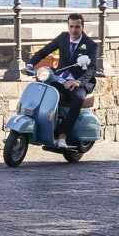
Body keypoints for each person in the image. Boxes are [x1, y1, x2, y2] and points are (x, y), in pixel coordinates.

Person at [24, 12, 98, 150]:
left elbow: (93, 68)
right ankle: (40, 124)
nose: (73, 30)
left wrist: (78, 82)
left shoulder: (90, 44)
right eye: (71, 26)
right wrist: (29, 65)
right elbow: (43, 52)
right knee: (42, 88)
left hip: (78, 82)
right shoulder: (63, 38)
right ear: (68, 26)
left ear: (82, 27)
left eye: (77, 27)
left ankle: (63, 136)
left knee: (77, 98)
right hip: (60, 78)